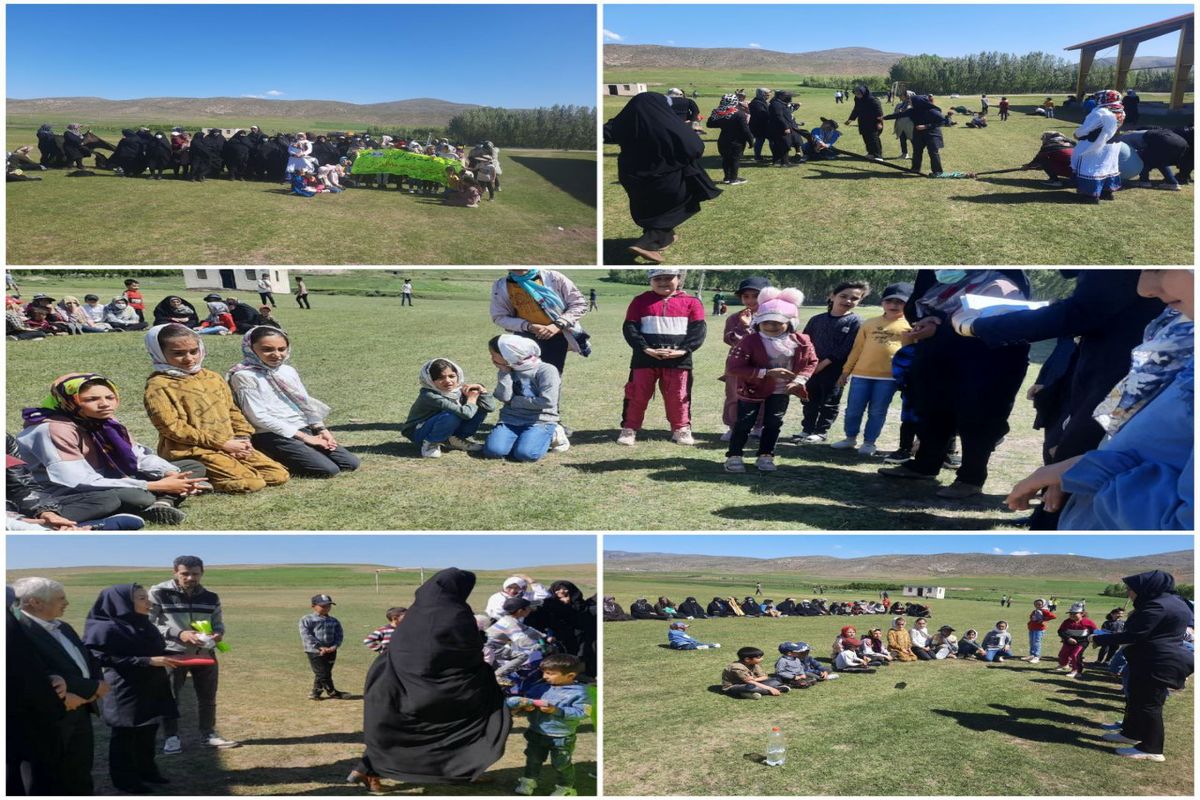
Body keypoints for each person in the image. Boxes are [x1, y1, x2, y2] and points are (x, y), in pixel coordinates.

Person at [1009, 270, 1192, 529]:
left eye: (1160, 269)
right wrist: (1076, 468)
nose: (1145, 289)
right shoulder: (1176, 327)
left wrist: (1091, 472)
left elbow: (1181, 524)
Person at [878, 270, 1031, 499]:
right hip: (936, 353)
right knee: (932, 409)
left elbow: (998, 318)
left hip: (986, 359)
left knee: (977, 416)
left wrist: (941, 329)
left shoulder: (1004, 280)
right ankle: (925, 464)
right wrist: (922, 320)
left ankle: (971, 478)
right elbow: (917, 302)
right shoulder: (934, 273)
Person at [362, 569, 511, 785]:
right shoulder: (457, 613)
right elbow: (468, 650)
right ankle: (466, 766)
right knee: (474, 722)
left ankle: (369, 772)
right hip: (448, 688)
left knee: (394, 728)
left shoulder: (414, 613)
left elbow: (400, 648)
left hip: (402, 684)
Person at [16, 373, 210, 525]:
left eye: (110, 397)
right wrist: (154, 486)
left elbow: (137, 457)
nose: (104, 404)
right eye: (91, 399)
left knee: (190, 466)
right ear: (69, 401)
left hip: (107, 478)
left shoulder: (106, 423)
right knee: (129, 497)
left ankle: (163, 502)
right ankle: (162, 497)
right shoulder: (52, 429)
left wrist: (170, 474)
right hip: (58, 491)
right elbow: (76, 480)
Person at [144, 324, 289, 493]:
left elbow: (232, 410)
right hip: (193, 450)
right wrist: (222, 444)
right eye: (178, 353)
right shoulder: (158, 385)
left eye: (193, 351)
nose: (189, 358)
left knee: (278, 475)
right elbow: (172, 428)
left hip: (231, 444)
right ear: (159, 353)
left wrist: (242, 439)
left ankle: (229, 470)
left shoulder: (212, 377)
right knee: (252, 483)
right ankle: (202, 479)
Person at [13, 577, 107, 795]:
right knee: (47, 777)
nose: (67, 603)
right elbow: (36, 674)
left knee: (80, 770)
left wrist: (95, 685)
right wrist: (92, 687)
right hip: (49, 717)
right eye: (60, 598)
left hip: (81, 711)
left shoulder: (62, 626)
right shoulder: (18, 631)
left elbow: (86, 658)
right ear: (35, 602)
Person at [82, 584, 179, 793]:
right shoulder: (104, 627)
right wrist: (146, 661)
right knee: (126, 734)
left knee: (149, 728)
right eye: (142, 598)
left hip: (152, 684)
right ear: (122, 602)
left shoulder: (144, 623)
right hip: (125, 688)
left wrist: (174, 656)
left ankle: (147, 771)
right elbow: (100, 658)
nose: (149, 602)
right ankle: (125, 779)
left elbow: (154, 650)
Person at [603, 92, 721, 262]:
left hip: (633, 177)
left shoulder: (627, 123)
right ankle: (646, 242)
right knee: (677, 206)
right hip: (664, 178)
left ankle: (662, 237)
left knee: (649, 207)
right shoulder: (667, 125)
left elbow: (607, 132)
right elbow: (695, 146)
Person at [227, 327, 360, 478]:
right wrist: (306, 438)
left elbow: (305, 403)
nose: (276, 355)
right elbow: (257, 416)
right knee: (328, 470)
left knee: (350, 464)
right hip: (271, 433)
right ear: (250, 348)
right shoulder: (244, 375)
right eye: (267, 349)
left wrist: (321, 430)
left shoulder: (287, 370)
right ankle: (268, 453)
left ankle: (300, 452)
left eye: (282, 349)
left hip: (302, 426)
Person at [1095, 571, 1192, 761]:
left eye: (1131, 589)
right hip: (1149, 659)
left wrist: (1099, 638)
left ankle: (1152, 748)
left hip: (1158, 662)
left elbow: (1134, 634)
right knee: (1136, 699)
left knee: (1149, 705)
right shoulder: (1174, 602)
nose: (1129, 593)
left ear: (1146, 589)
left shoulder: (1157, 605)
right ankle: (1130, 733)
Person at [149, 555, 239, 754]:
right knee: (170, 697)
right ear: (175, 572)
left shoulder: (211, 597)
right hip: (172, 653)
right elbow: (148, 623)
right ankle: (171, 737)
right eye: (185, 574)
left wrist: (218, 634)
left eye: (195, 574)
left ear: (202, 573)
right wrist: (179, 633)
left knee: (208, 697)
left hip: (205, 654)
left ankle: (208, 734)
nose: (190, 578)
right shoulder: (158, 593)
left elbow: (218, 622)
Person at [490, 268, 589, 447]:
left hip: (556, 336)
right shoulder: (502, 285)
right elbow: (499, 317)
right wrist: (528, 326)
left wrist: (557, 325)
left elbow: (579, 303)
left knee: (551, 380)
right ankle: (521, 420)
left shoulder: (553, 277)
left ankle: (553, 423)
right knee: (521, 380)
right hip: (524, 338)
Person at [723, 287, 817, 473]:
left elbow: (812, 361)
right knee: (743, 423)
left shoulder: (801, 341)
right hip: (752, 389)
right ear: (759, 321)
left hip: (782, 391)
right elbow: (734, 368)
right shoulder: (750, 340)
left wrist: (799, 381)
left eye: (778, 322)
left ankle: (766, 455)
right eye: (766, 322)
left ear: (791, 322)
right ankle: (734, 456)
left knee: (774, 423)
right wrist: (766, 372)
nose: (771, 326)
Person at [618, 268, 706, 446]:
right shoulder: (640, 301)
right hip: (645, 358)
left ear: (678, 279)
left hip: (678, 359)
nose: (663, 282)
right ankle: (629, 428)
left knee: (678, 395)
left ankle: (681, 428)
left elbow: (698, 330)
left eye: (668, 278)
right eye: (658, 278)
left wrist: (683, 350)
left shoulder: (692, 302)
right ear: (650, 280)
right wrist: (645, 348)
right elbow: (630, 328)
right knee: (637, 394)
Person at [830, 282, 912, 456]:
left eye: (900, 302)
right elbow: (857, 349)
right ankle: (850, 438)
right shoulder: (869, 323)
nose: (894, 305)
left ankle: (869, 442)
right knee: (853, 409)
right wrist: (846, 371)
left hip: (889, 378)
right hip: (861, 375)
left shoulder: (909, 325)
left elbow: (911, 354)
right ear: (883, 302)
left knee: (877, 411)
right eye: (890, 301)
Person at [794, 281, 867, 443]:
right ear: (832, 296)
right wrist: (809, 364)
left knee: (829, 402)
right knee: (809, 399)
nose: (848, 300)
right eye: (843, 296)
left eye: (854, 298)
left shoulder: (856, 322)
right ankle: (807, 429)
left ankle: (821, 432)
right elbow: (806, 342)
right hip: (811, 369)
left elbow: (846, 348)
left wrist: (822, 364)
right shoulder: (816, 319)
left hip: (834, 370)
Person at [508, 653, 589, 796]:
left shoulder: (580, 692)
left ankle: (566, 788)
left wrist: (557, 710)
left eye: (550, 673)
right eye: (544, 672)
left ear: (570, 675)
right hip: (536, 732)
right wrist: (526, 707)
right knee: (533, 760)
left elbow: (582, 713)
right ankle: (529, 781)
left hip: (561, 737)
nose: (545, 676)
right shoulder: (540, 688)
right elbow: (528, 702)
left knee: (561, 764)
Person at [482, 335, 561, 463]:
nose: (492, 358)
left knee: (525, 455)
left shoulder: (546, 370)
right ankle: (523, 438)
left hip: (541, 420)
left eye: (493, 354)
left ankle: (554, 434)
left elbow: (548, 401)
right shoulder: (509, 368)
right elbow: (504, 397)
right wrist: (504, 372)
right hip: (511, 419)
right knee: (494, 451)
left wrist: (514, 401)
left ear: (508, 354)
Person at [402, 357, 496, 458]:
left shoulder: (459, 390)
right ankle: (431, 443)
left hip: (442, 424)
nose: (448, 381)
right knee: (452, 415)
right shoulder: (429, 395)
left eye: (452, 376)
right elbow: (466, 414)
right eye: (440, 378)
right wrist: (472, 398)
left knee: (479, 410)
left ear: (458, 375)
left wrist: (482, 391)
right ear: (430, 380)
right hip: (419, 432)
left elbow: (489, 407)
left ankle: (454, 439)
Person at [721, 276, 771, 441]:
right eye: (746, 296)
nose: (750, 300)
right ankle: (733, 426)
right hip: (737, 365)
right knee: (734, 395)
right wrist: (743, 325)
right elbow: (730, 340)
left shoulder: (772, 318)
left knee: (762, 396)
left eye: (755, 296)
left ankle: (758, 426)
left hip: (762, 364)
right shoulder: (734, 318)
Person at [528, 580, 597, 678]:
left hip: (581, 638)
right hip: (557, 638)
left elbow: (582, 617)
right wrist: (560, 605)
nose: (561, 591)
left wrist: (569, 605)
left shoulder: (581, 604)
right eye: (557, 589)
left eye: (565, 588)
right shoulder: (547, 605)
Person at [1072, 90, 1125, 204]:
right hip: (1113, 144)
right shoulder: (1120, 110)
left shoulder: (1100, 112)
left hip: (1096, 144)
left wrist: (1076, 134)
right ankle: (1107, 192)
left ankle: (1090, 195)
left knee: (1091, 168)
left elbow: (1086, 129)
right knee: (1108, 167)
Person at [883, 93, 948, 176]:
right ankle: (915, 169)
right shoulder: (912, 111)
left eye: (911, 101)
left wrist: (926, 126)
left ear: (917, 102)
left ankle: (937, 172)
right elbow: (899, 115)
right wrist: (884, 118)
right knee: (917, 151)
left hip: (932, 134)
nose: (909, 102)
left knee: (933, 152)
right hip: (918, 133)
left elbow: (942, 121)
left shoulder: (932, 111)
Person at [484, 597, 546, 682]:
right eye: (528, 608)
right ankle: (498, 675)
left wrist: (543, 636)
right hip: (491, 648)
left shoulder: (509, 619)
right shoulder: (511, 624)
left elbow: (527, 629)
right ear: (520, 611)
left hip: (489, 647)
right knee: (522, 656)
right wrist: (538, 646)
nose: (530, 610)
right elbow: (521, 642)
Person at [300, 594, 348, 700]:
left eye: (329, 606)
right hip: (314, 651)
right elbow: (306, 635)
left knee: (325, 671)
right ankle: (332, 691)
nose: (327, 608)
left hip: (331, 650)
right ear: (313, 606)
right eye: (323, 606)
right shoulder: (307, 619)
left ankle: (315, 692)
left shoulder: (334, 621)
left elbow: (339, 635)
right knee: (322, 672)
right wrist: (319, 647)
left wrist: (335, 646)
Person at [710, 94, 753, 185]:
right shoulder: (739, 113)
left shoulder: (718, 112)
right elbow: (745, 129)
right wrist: (750, 140)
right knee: (735, 160)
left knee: (726, 159)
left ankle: (727, 177)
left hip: (723, 139)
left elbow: (710, 124)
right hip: (737, 140)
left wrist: (722, 121)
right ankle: (733, 179)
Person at [721, 646, 790, 698]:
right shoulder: (737, 667)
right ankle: (776, 689)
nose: (761, 659)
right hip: (734, 686)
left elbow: (764, 676)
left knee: (776, 679)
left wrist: (755, 679)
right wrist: (770, 688)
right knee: (751, 687)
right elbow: (750, 682)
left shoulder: (754, 664)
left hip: (752, 682)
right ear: (747, 659)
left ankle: (747, 694)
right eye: (758, 657)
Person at [1056, 602, 1098, 677]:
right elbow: (1060, 631)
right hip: (1069, 641)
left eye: (1074, 613)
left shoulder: (1088, 622)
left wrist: (1095, 640)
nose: (1072, 615)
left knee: (1075, 655)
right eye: (1070, 613)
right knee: (1063, 654)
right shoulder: (1067, 622)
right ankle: (1064, 665)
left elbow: (1095, 631)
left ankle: (1076, 671)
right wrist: (1068, 638)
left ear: (1082, 613)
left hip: (1082, 642)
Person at [485, 575, 551, 620]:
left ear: (522, 588)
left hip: (523, 626)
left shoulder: (524, 595)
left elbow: (544, 595)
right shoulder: (497, 597)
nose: (513, 591)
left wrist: (529, 579)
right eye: (509, 587)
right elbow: (497, 613)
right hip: (503, 626)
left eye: (517, 588)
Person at [767, 90, 805, 167]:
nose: (789, 98)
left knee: (782, 144)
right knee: (784, 145)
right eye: (788, 97)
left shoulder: (779, 103)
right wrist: (786, 127)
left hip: (782, 127)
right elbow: (779, 116)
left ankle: (779, 161)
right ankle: (784, 163)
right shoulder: (776, 104)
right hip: (780, 128)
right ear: (781, 96)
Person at [846, 84, 884, 159]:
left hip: (873, 122)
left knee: (873, 138)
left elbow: (879, 112)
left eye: (859, 94)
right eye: (856, 94)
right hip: (863, 121)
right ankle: (870, 153)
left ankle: (878, 155)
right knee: (866, 138)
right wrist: (851, 119)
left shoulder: (873, 100)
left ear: (863, 92)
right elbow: (856, 109)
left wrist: (879, 123)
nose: (857, 95)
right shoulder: (857, 99)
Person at [1023, 598, 1057, 663]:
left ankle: (1036, 656)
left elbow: (1053, 616)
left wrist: (1043, 619)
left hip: (1039, 629)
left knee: (1036, 642)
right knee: (1031, 642)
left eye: (1039, 604)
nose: (1037, 605)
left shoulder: (1044, 611)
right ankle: (1032, 655)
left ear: (1043, 604)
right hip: (1032, 628)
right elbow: (1031, 617)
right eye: (1036, 604)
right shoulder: (1035, 611)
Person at [748, 87, 770, 162]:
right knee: (760, 140)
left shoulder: (761, 101)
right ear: (762, 94)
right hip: (759, 126)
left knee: (761, 140)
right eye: (767, 94)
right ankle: (757, 156)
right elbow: (762, 114)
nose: (769, 95)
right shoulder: (756, 103)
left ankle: (758, 155)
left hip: (763, 125)